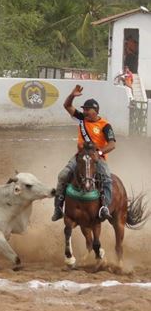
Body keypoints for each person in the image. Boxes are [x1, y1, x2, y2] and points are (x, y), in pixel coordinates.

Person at [51, 85, 116, 222]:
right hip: (80, 157)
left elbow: (112, 144)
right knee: (63, 175)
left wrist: (98, 152)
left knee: (107, 179)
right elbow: (67, 105)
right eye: (84, 109)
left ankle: (105, 207)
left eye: (88, 109)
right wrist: (72, 95)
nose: (85, 112)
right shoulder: (81, 119)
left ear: (96, 111)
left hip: (97, 158)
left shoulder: (105, 125)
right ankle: (58, 207)